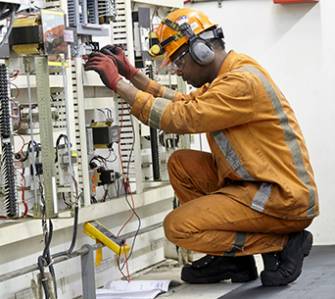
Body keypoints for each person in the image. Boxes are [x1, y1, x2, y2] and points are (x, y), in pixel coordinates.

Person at [85, 7, 319, 287]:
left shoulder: (240, 82)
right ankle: (233, 260)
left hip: (279, 198)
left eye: (179, 63)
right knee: (182, 164)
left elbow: (182, 117)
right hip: (255, 185)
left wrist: (118, 83)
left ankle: (282, 242)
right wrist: (133, 75)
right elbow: (186, 103)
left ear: (201, 52)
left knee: (178, 227)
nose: (178, 72)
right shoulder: (230, 72)